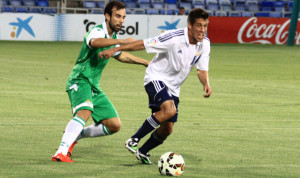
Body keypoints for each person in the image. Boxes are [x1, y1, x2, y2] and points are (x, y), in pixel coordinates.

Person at [99, 8, 212, 164]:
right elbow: (142, 44)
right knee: (169, 109)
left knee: (167, 128)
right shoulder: (173, 38)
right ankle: (133, 140)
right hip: (156, 78)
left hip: (174, 88)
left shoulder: (205, 44)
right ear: (190, 25)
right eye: (199, 25)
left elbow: (202, 70)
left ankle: (143, 151)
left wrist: (205, 83)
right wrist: (117, 49)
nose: (202, 30)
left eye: (205, 26)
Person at [51, 1, 150, 163]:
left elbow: (121, 55)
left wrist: (145, 62)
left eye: (123, 17)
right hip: (80, 79)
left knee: (114, 125)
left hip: (93, 86)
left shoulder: (114, 38)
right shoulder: (96, 31)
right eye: (118, 16)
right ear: (107, 16)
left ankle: (76, 135)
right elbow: (94, 42)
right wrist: (125, 42)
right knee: (85, 111)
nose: (121, 21)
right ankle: (60, 152)